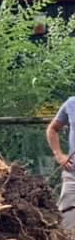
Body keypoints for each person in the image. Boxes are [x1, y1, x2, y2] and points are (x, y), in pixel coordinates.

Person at [46, 97, 75, 230]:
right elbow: (53, 129)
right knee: (66, 226)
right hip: (73, 175)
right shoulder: (71, 103)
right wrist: (59, 155)